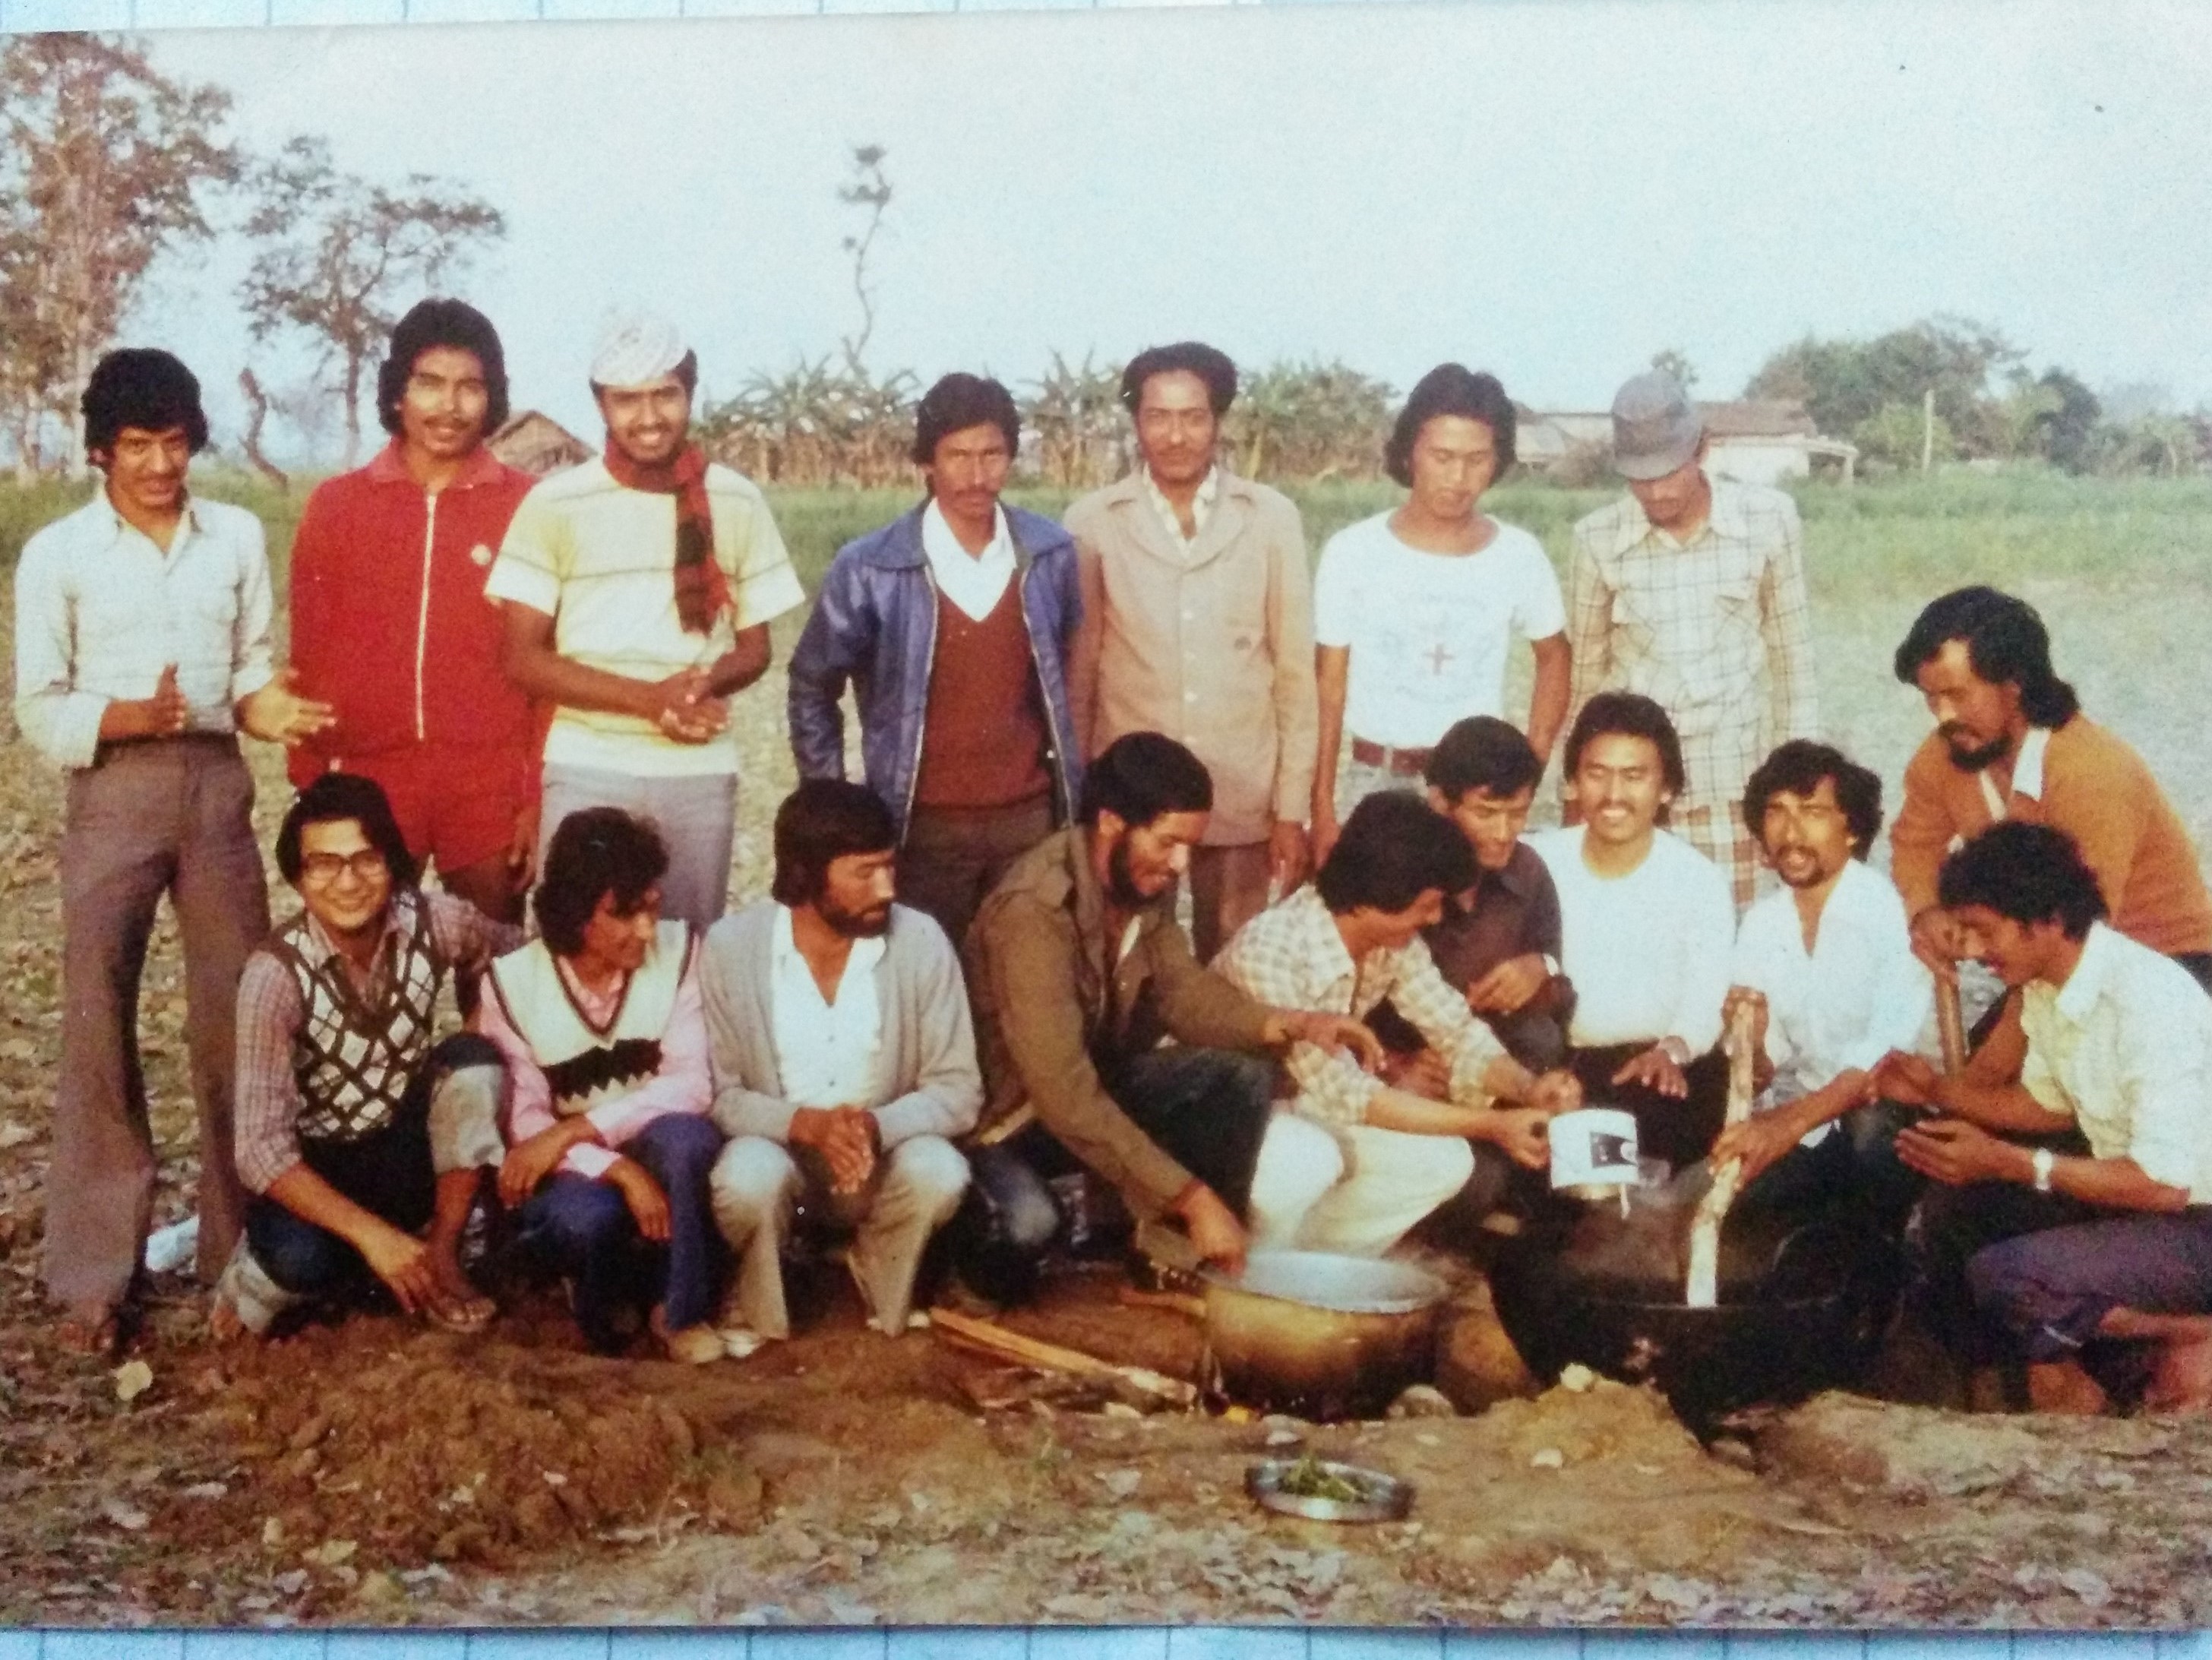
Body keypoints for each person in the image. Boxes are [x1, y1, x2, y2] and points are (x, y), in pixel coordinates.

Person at [12, 348, 333, 1354]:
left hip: (216, 787)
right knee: (99, 1016)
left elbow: (242, 667)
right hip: (113, 789)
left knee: (239, 1014)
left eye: (177, 442)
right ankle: (95, 1275)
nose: (160, 463)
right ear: (100, 449)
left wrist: (267, 705)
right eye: (139, 446)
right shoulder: (61, 555)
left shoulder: (232, 534)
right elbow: (36, 706)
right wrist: (121, 715)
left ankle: (243, 1256)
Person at [957, 732, 1384, 1305]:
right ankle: (975, 1264)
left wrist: (1298, 1022)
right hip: (1013, 1121)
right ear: (1111, 820)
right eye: (1169, 842)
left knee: (1239, 1072)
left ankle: (1163, 1256)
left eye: (1190, 845)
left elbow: (1185, 995)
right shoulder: (1033, 912)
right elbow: (1062, 1093)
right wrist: (1193, 1197)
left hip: (1088, 1095)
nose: (1182, 862)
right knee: (1029, 1225)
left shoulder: (1137, 877)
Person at [1880, 822, 2212, 1414]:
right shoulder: (2047, 986)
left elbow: (2165, 1184)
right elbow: (2045, 1105)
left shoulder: (2146, 998)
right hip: (2137, 1208)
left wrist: (2010, 1161)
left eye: (1986, 931)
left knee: (2009, 1277)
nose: (1977, 951)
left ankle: (2187, 1331)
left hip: (2193, 1223)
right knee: (1955, 1214)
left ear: (2050, 919)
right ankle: (2047, 1382)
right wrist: (1938, 1090)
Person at [488, 315, 805, 928]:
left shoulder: (735, 499)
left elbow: (755, 648)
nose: (649, 416)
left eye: (665, 394)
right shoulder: (554, 503)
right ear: (600, 405)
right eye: (627, 399)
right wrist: (649, 699)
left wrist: (700, 686)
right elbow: (522, 658)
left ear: (690, 393)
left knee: (686, 953)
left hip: (697, 764)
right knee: (582, 950)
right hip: (585, 763)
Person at [788, 373, 1084, 953]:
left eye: (993, 454)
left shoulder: (1051, 553)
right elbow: (811, 685)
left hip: (1028, 822)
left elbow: (1069, 677)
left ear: (1012, 456)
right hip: (920, 826)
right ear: (927, 463)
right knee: (927, 983)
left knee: (1021, 985)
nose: (977, 475)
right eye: (958, 456)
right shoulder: (871, 566)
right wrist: (835, 805)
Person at [216, 775, 520, 1339]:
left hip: (404, 1146)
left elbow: (519, 958)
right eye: (324, 864)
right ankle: (270, 1271)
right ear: (298, 876)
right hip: (321, 1165)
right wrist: (372, 1236)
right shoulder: (275, 975)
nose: (348, 882)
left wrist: (488, 1018)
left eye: (366, 859)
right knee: (303, 1264)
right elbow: (258, 1150)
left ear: (392, 861)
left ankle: (443, 1254)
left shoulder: (436, 921)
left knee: (473, 1058)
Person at [1214, 792, 1576, 1257]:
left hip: (1305, 1105)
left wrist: (1528, 1089)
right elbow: (1350, 1095)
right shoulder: (1273, 950)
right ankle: (1245, 1271)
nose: (1436, 917)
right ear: (1372, 902)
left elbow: (1456, 1031)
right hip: (1225, 1119)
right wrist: (1493, 1124)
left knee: (1443, 1163)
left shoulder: (1391, 942)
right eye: (1426, 906)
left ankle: (1310, 1271)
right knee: (1308, 1160)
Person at [286, 299, 541, 928]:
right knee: (366, 971)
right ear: (398, 391)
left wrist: (534, 796)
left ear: (493, 397)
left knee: (496, 971)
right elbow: (310, 655)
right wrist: (312, 782)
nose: (448, 407)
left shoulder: (530, 506)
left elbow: (548, 663)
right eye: (429, 384)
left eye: (469, 387)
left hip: (488, 781)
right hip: (372, 775)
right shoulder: (338, 505)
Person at [701, 781, 976, 1353]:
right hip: (782, 1158)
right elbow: (721, 1095)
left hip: (877, 1161)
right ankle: (758, 1303)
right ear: (804, 875)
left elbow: (958, 1088)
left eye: (889, 867)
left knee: (941, 1170)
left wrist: (873, 1128)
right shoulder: (732, 947)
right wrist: (807, 1125)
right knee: (744, 1178)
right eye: (864, 872)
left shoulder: (921, 940)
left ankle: (879, 1270)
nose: (887, 888)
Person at [1063, 342, 1318, 960]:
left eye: (1193, 417)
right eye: (1158, 417)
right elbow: (1081, 667)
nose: (1175, 436)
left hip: (1241, 790)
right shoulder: (1092, 521)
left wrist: (1290, 810)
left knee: (1235, 958)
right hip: (1133, 795)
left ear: (1218, 422)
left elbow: (1293, 674)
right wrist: (1078, 796)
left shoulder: (1270, 518)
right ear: (1136, 422)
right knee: (1127, 956)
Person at [475, 808, 725, 1361]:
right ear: (574, 912)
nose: (646, 928)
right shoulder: (513, 984)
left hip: (650, 1143)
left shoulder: (681, 953)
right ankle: (602, 1314)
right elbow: (527, 1124)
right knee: (583, 1218)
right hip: (578, 1174)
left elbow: (692, 1084)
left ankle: (679, 1308)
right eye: (623, 913)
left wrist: (585, 1127)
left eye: (652, 907)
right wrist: (616, 1168)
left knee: (686, 1141)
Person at [1563, 371, 1820, 908]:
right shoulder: (1596, 539)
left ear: (1702, 448)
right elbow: (1584, 679)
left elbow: (1793, 662)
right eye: (1638, 477)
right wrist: (1572, 797)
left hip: (1734, 789)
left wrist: (1796, 789)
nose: (1655, 492)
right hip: (1634, 797)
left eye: (1667, 472)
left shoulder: (1770, 520)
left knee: (1730, 946)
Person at [1889, 587, 2212, 992]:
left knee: (2003, 1053)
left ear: (2016, 683)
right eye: (1931, 698)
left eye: (1957, 694)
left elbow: (2077, 940)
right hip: (2045, 958)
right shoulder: (1946, 752)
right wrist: (1926, 912)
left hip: (2167, 965)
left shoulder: (2092, 772)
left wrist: (1999, 1053)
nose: (1943, 717)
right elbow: (1914, 845)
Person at [1311, 364, 1567, 865]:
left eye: (1477, 459)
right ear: (1411, 452)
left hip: (1476, 790)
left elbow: (1555, 658)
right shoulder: (1352, 551)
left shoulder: (1519, 554)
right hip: (1377, 778)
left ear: (1498, 461)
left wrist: (1526, 771)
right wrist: (1322, 805)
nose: (1458, 477)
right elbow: (1329, 688)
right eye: (1442, 457)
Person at [1717, 741, 1932, 1222]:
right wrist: (1749, 1039)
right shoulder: (1762, 924)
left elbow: (1881, 1062)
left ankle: (1896, 1256)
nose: (1791, 833)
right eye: (1777, 813)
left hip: (1897, 1118)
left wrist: (1782, 1128)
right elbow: (1762, 1075)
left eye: (1812, 813)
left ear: (1852, 829)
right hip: (1813, 1124)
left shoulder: (1890, 913)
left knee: (1869, 1133)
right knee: (1721, 1197)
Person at [1527, 693, 1735, 1171]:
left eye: (1634, 776)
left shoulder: (1696, 879)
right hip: (1560, 1066)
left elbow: (1707, 998)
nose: (1613, 795)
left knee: (1645, 1130)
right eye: (1597, 774)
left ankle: (1614, 1205)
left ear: (1666, 789)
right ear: (1574, 782)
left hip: (1658, 1069)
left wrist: (1672, 1050)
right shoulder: (1539, 863)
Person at [1373, 716, 1572, 1073]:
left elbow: (1559, 988)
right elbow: (1342, 999)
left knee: (1542, 1039)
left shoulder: (1528, 872)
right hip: (1404, 1064)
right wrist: (1393, 1064)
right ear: (1440, 802)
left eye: (1517, 814)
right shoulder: (1395, 870)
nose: (1503, 832)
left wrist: (1539, 968)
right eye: (1486, 813)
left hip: (1494, 1061)